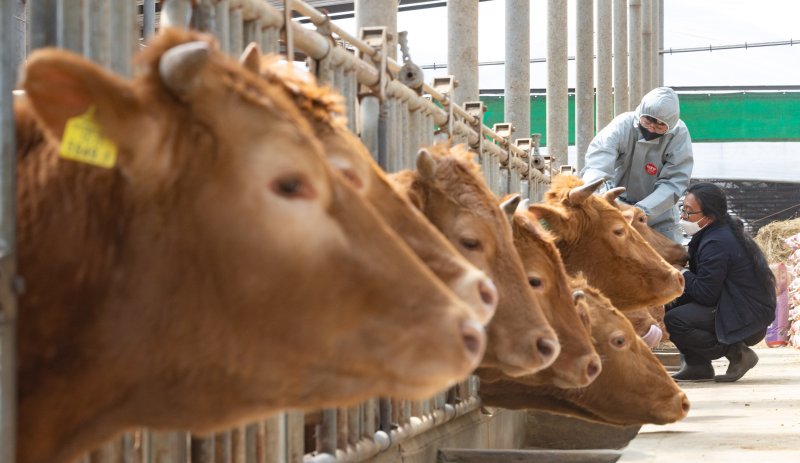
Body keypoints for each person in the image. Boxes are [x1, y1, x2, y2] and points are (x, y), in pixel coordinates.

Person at [665, 183, 776, 382]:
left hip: (747, 315)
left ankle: (737, 353)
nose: (683, 216)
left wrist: (681, 272)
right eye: (683, 209)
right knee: (670, 302)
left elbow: (706, 294)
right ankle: (697, 366)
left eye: (689, 212)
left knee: (674, 320)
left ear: (709, 217)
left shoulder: (716, 243)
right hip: (734, 303)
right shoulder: (714, 233)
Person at [581, 87, 694, 243]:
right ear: (640, 112)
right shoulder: (622, 125)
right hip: (616, 208)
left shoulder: (679, 134)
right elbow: (597, 165)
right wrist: (598, 200)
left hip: (658, 216)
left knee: (666, 261)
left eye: (661, 126)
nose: (652, 128)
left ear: (671, 125)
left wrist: (642, 210)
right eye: (648, 120)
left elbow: (674, 182)